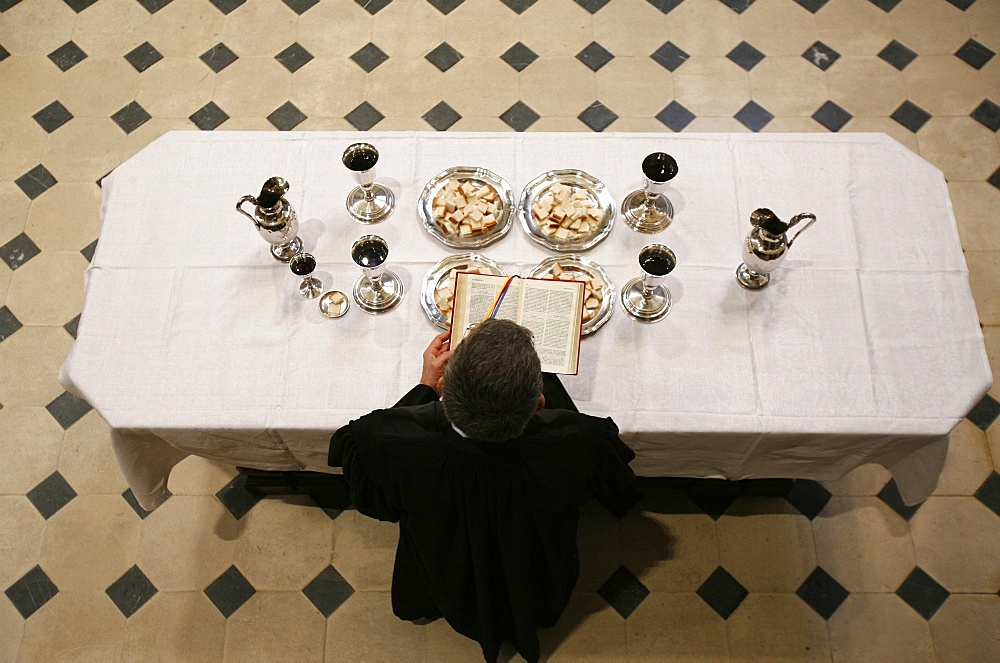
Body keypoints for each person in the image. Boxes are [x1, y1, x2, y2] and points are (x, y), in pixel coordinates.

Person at [328, 319, 636, 662]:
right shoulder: (580, 441)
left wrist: (424, 387)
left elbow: (377, 505)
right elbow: (606, 487)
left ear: (446, 391)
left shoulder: (385, 443)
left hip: (444, 555)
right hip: (535, 555)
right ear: (539, 403)